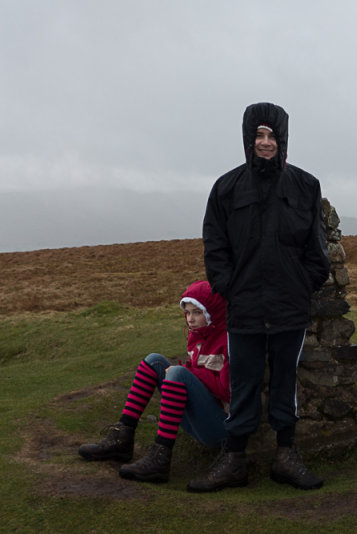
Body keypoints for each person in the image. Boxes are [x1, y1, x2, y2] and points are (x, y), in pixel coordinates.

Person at [193, 102, 330, 492]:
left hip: (290, 306)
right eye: (259, 135)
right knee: (245, 382)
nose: (265, 142)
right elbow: (215, 243)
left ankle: (286, 457)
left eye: (272, 135)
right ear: (247, 138)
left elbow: (316, 249)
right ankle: (234, 460)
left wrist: (304, 283)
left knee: (285, 381)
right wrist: (228, 286)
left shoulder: (305, 185)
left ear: (283, 139)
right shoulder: (226, 187)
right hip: (245, 306)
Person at [78, 280, 229, 483]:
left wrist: (187, 373)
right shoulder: (197, 337)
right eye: (187, 312)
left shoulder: (228, 341)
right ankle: (122, 437)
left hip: (220, 426)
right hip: (199, 418)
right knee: (153, 360)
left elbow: (226, 390)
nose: (191, 319)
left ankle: (160, 457)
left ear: (212, 312)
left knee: (177, 373)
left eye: (197, 312)